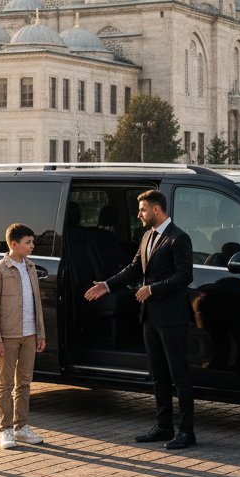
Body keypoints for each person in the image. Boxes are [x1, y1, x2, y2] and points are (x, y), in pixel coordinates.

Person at [85, 189, 196, 450]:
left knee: (178, 375)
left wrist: (152, 289)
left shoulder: (179, 238)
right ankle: (163, 426)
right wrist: (107, 285)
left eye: (143, 210)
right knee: (158, 374)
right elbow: (135, 268)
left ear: (156, 210)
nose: (139, 214)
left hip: (172, 317)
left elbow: (185, 276)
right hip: (150, 317)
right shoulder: (147, 236)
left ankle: (187, 432)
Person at [0, 223, 47, 450]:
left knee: (24, 383)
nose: (32, 246)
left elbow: (37, 303)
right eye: (28, 242)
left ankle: (21, 427)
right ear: (14, 244)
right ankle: (6, 430)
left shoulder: (30, 267)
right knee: (5, 383)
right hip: (8, 336)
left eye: (32, 242)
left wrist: (40, 332)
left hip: (29, 335)